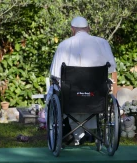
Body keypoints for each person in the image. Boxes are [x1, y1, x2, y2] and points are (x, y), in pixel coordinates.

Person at [48, 16, 117, 145]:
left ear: (72, 30)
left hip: (71, 98)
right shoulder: (102, 43)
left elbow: (55, 74)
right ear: (88, 29)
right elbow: (112, 70)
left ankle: (72, 134)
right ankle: (90, 134)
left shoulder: (64, 45)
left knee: (54, 90)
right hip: (96, 98)